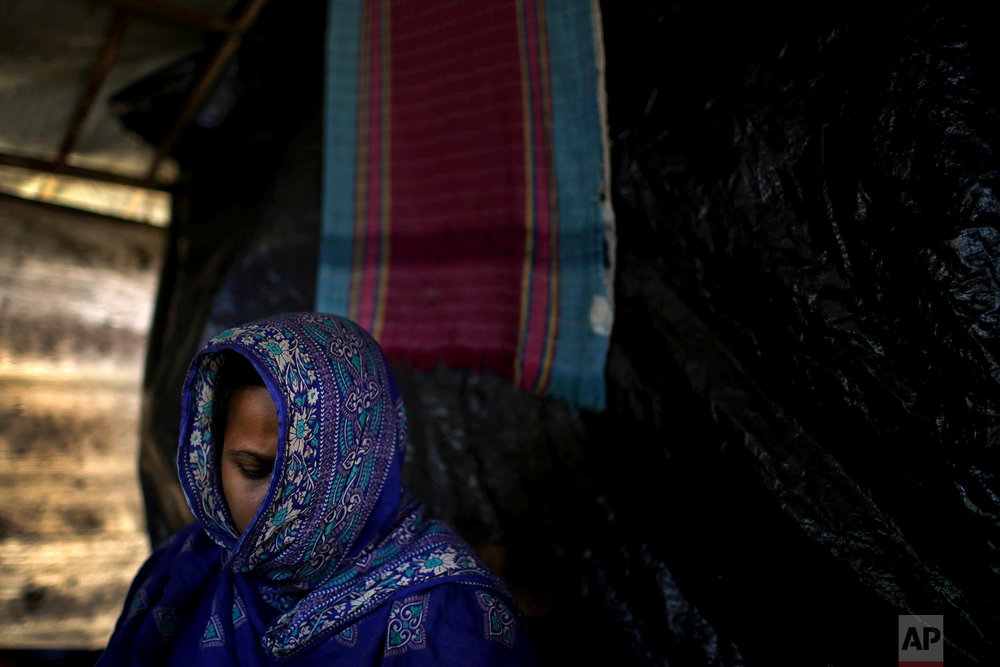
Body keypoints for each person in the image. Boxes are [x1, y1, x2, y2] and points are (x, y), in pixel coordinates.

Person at [99, 312, 535, 665]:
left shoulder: (448, 615)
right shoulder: (183, 574)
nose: (275, 508)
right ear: (212, 462)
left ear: (357, 468)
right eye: (252, 470)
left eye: (306, 484)